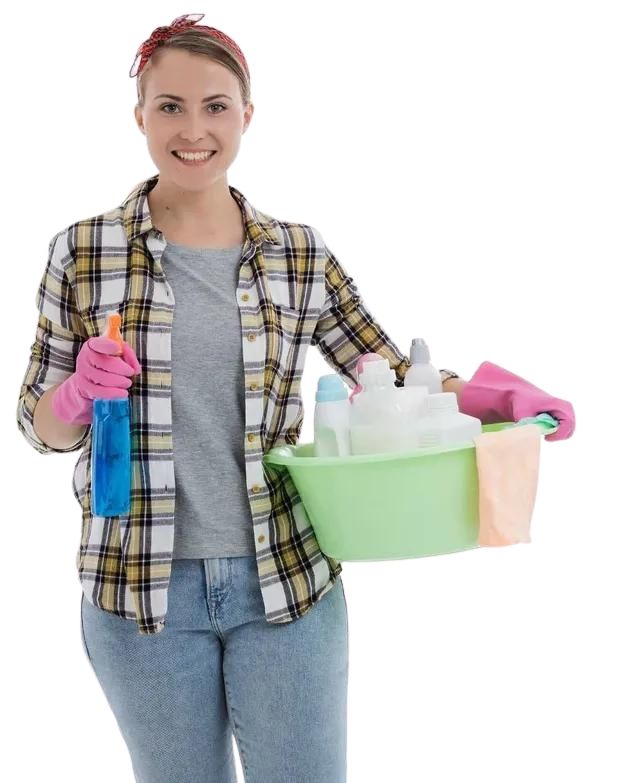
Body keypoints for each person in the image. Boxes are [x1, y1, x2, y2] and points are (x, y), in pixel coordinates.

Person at [14, 13, 463, 783]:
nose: (194, 129)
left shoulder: (298, 252)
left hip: (286, 580)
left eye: (216, 106)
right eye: (171, 106)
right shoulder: (83, 249)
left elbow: (392, 376)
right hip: (137, 590)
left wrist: (497, 403)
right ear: (140, 116)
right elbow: (38, 424)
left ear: (247, 115)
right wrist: (79, 394)